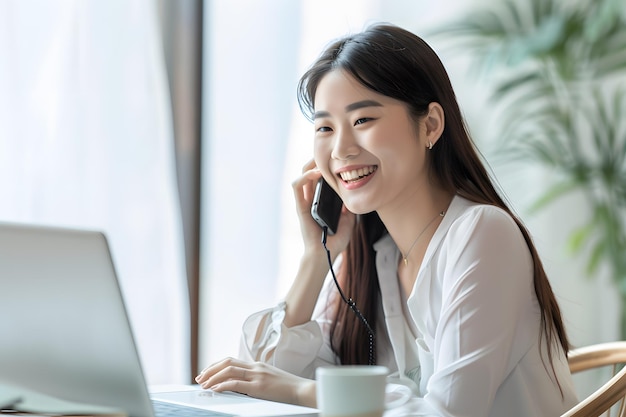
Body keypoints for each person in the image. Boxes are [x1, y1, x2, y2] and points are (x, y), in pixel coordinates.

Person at [195, 23, 579, 416]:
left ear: (430, 124)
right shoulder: (372, 257)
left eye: (362, 121)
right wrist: (315, 257)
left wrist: (306, 392)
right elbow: (261, 381)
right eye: (325, 127)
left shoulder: (482, 234)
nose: (341, 149)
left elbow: (448, 413)